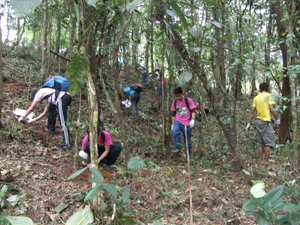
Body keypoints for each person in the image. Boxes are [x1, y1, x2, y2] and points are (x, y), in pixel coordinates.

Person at [246, 82, 280, 165]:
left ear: (259, 89)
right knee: (269, 141)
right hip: (266, 122)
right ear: (267, 89)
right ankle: (266, 161)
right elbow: (272, 109)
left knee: (260, 142)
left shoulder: (256, 98)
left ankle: (261, 160)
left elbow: (252, 112)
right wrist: (277, 119)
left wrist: (249, 123)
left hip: (258, 122)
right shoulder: (268, 96)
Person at [171, 87, 196, 156]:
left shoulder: (188, 100)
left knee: (187, 140)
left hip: (187, 122)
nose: (178, 98)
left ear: (182, 94)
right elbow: (173, 113)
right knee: (174, 131)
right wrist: (173, 124)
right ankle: (177, 148)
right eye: (176, 96)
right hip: (178, 121)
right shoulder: (175, 102)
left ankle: (188, 155)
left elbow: (193, 110)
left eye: (179, 95)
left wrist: (193, 119)